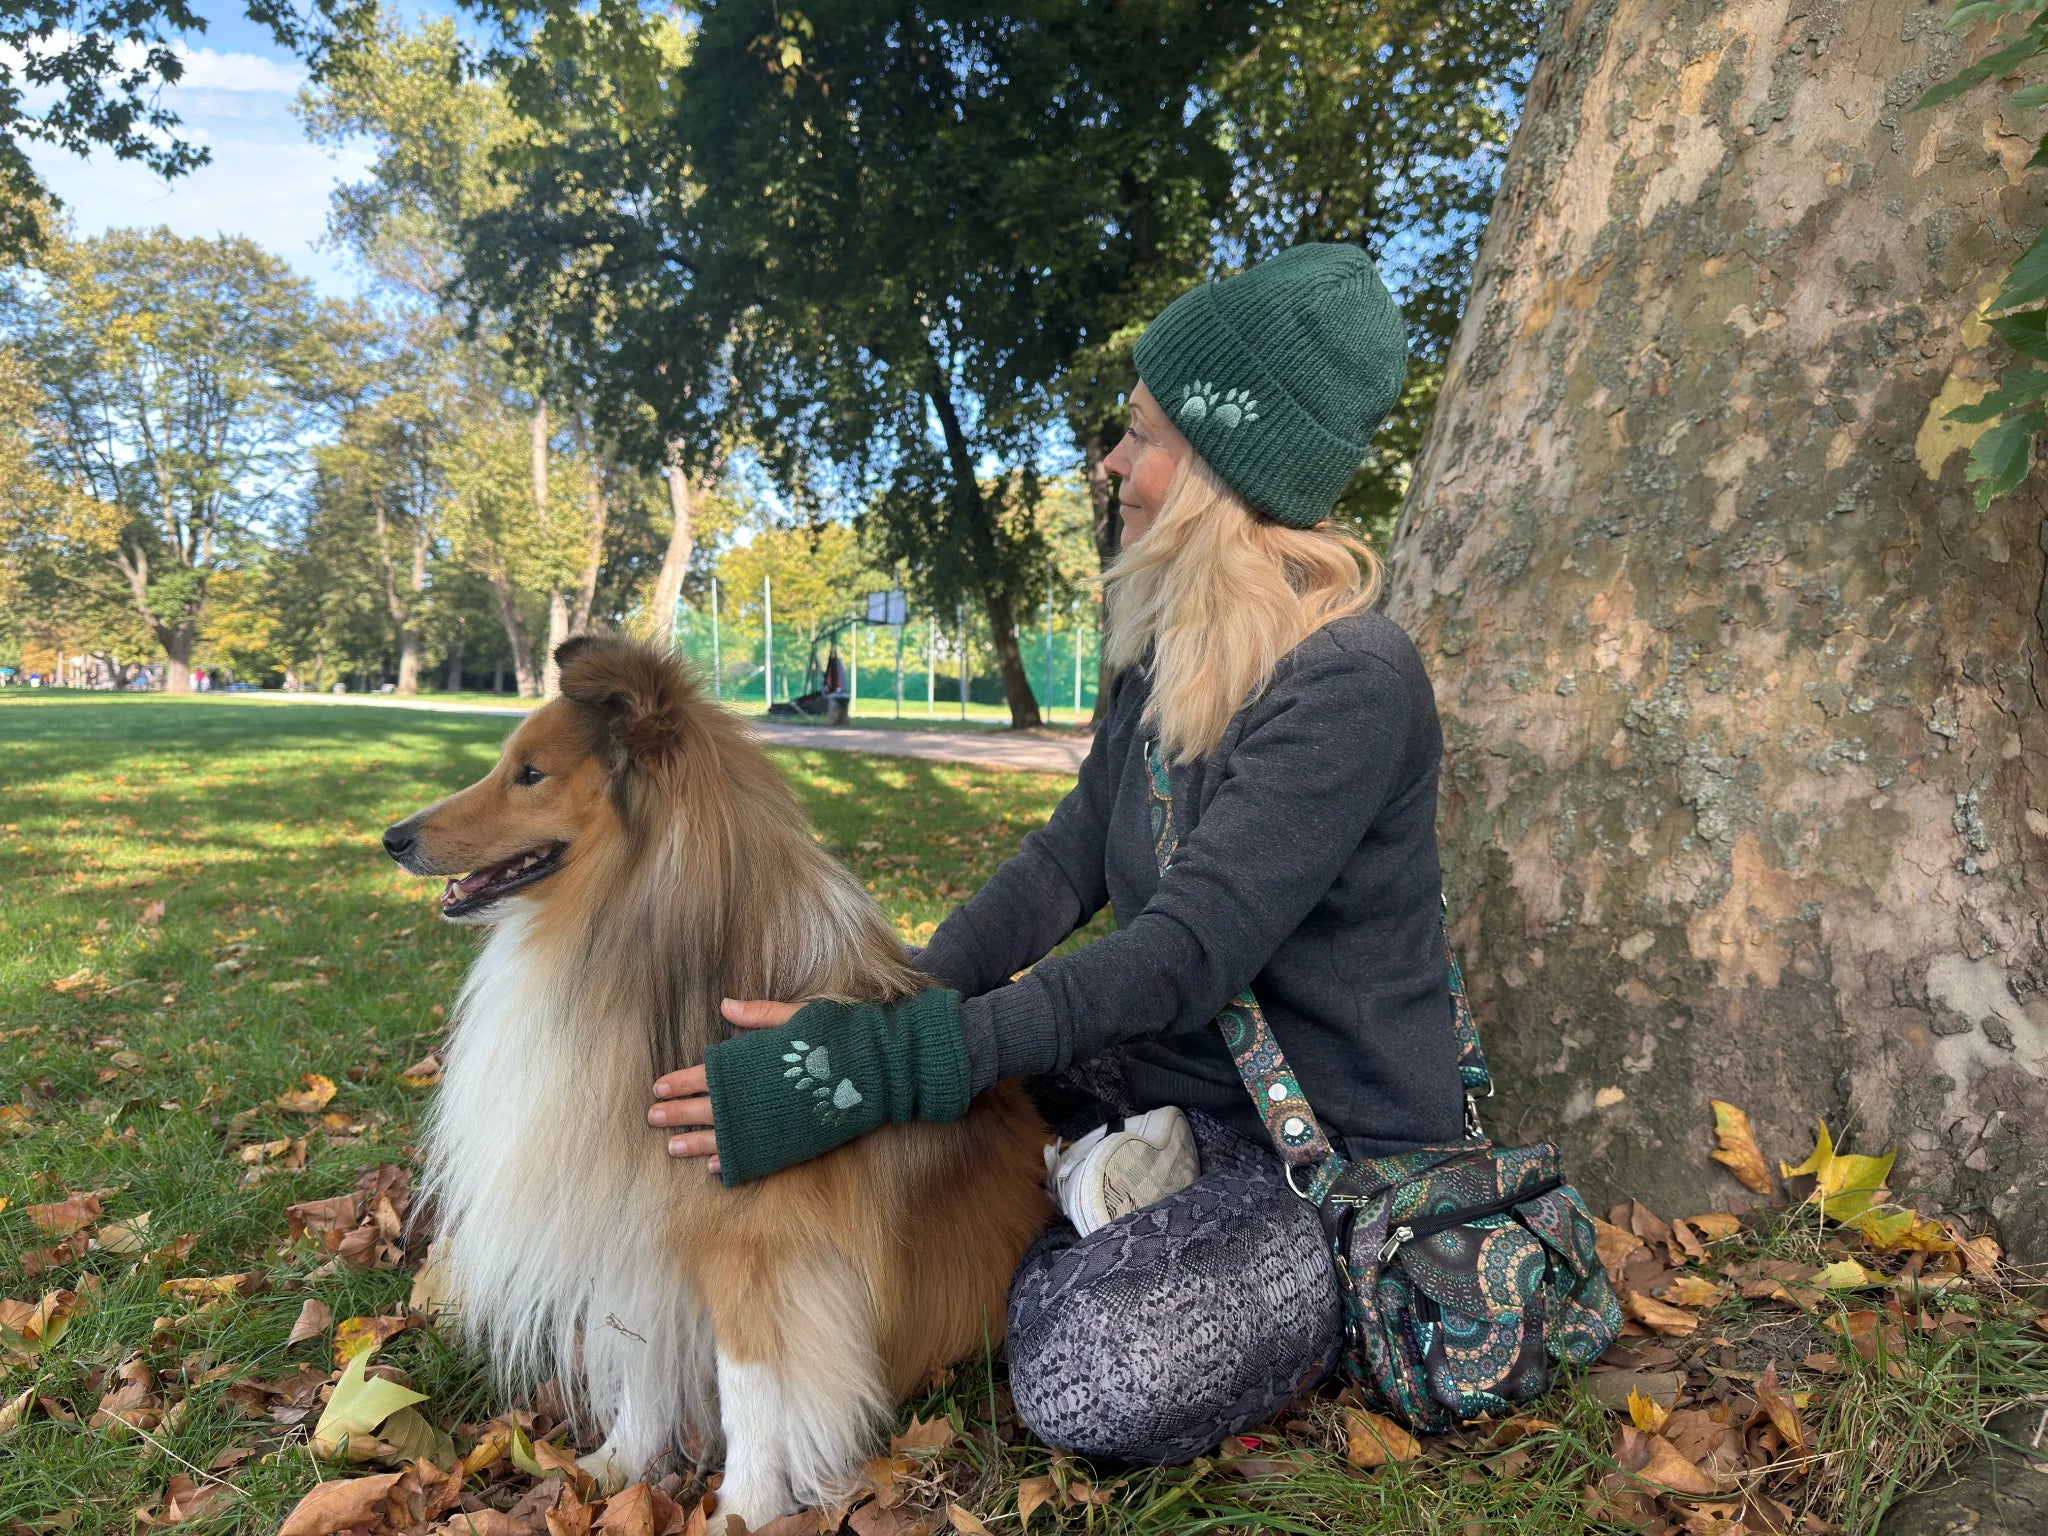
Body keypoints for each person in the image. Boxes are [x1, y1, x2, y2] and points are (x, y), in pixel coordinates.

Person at [649, 244, 1462, 1462]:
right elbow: (1067, 858)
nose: (1111, 464)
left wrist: (902, 1061)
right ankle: (1086, 1197)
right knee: (885, 1140)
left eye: (1137, 436)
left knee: (1088, 1376)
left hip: (1310, 1155)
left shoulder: (1351, 677)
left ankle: (1247, 1272)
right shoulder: (1161, 651)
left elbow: (1181, 952)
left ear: (1215, 460)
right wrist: (892, 1004)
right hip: (1152, 1090)